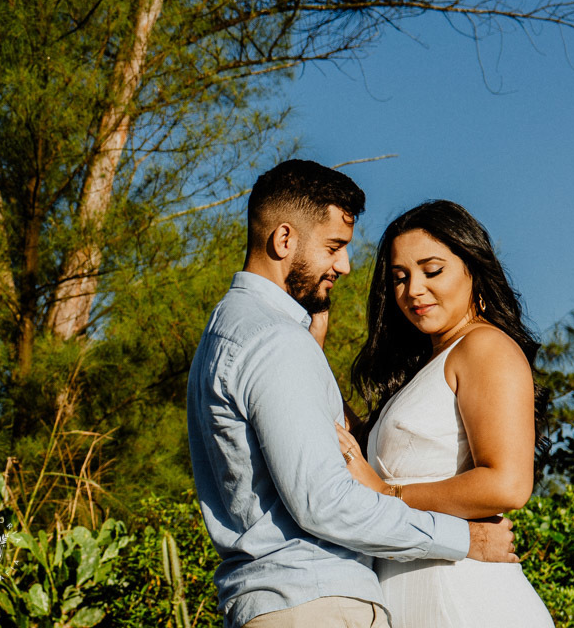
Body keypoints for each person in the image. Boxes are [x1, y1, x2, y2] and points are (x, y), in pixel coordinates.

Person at [186, 160, 518, 628]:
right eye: (334, 247)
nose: (344, 265)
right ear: (285, 240)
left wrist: (314, 360)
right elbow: (324, 501)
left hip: (288, 599)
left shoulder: (227, 330)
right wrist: (466, 539)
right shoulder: (275, 340)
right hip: (315, 602)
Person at [335, 200, 553, 627]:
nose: (413, 290)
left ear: (473, 268)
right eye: (399, 278)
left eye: (432, 271)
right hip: (416, 594)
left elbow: (507, 485)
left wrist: (388, 495)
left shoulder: (484, 347)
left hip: (465, 600)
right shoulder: (429, 366)